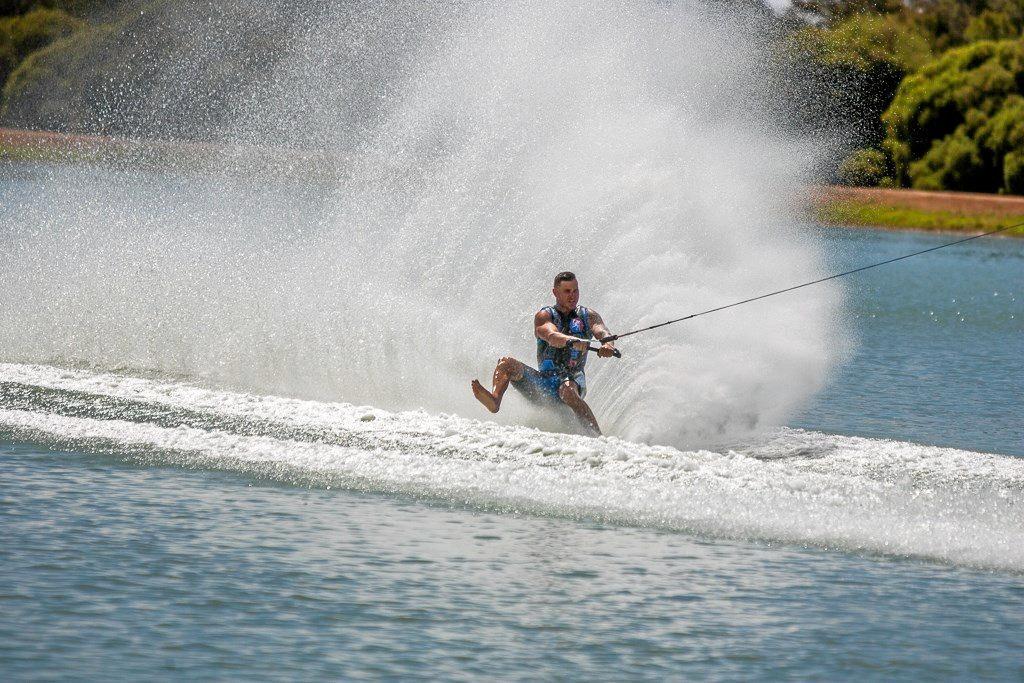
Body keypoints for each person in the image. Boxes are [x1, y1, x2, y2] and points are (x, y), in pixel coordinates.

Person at [471, 271, 617, 435]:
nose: (572, 296)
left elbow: (602, 332)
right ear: (555, 292)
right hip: (542, 385)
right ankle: (494, 400)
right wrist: (571, 341)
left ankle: (598, 437)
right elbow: (551, 335)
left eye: (575, 290)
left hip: (573, 380)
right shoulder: (545, 316)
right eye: (567, 291)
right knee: (506, 363)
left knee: (567, 390)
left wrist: (608, 345)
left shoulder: (588, 316)